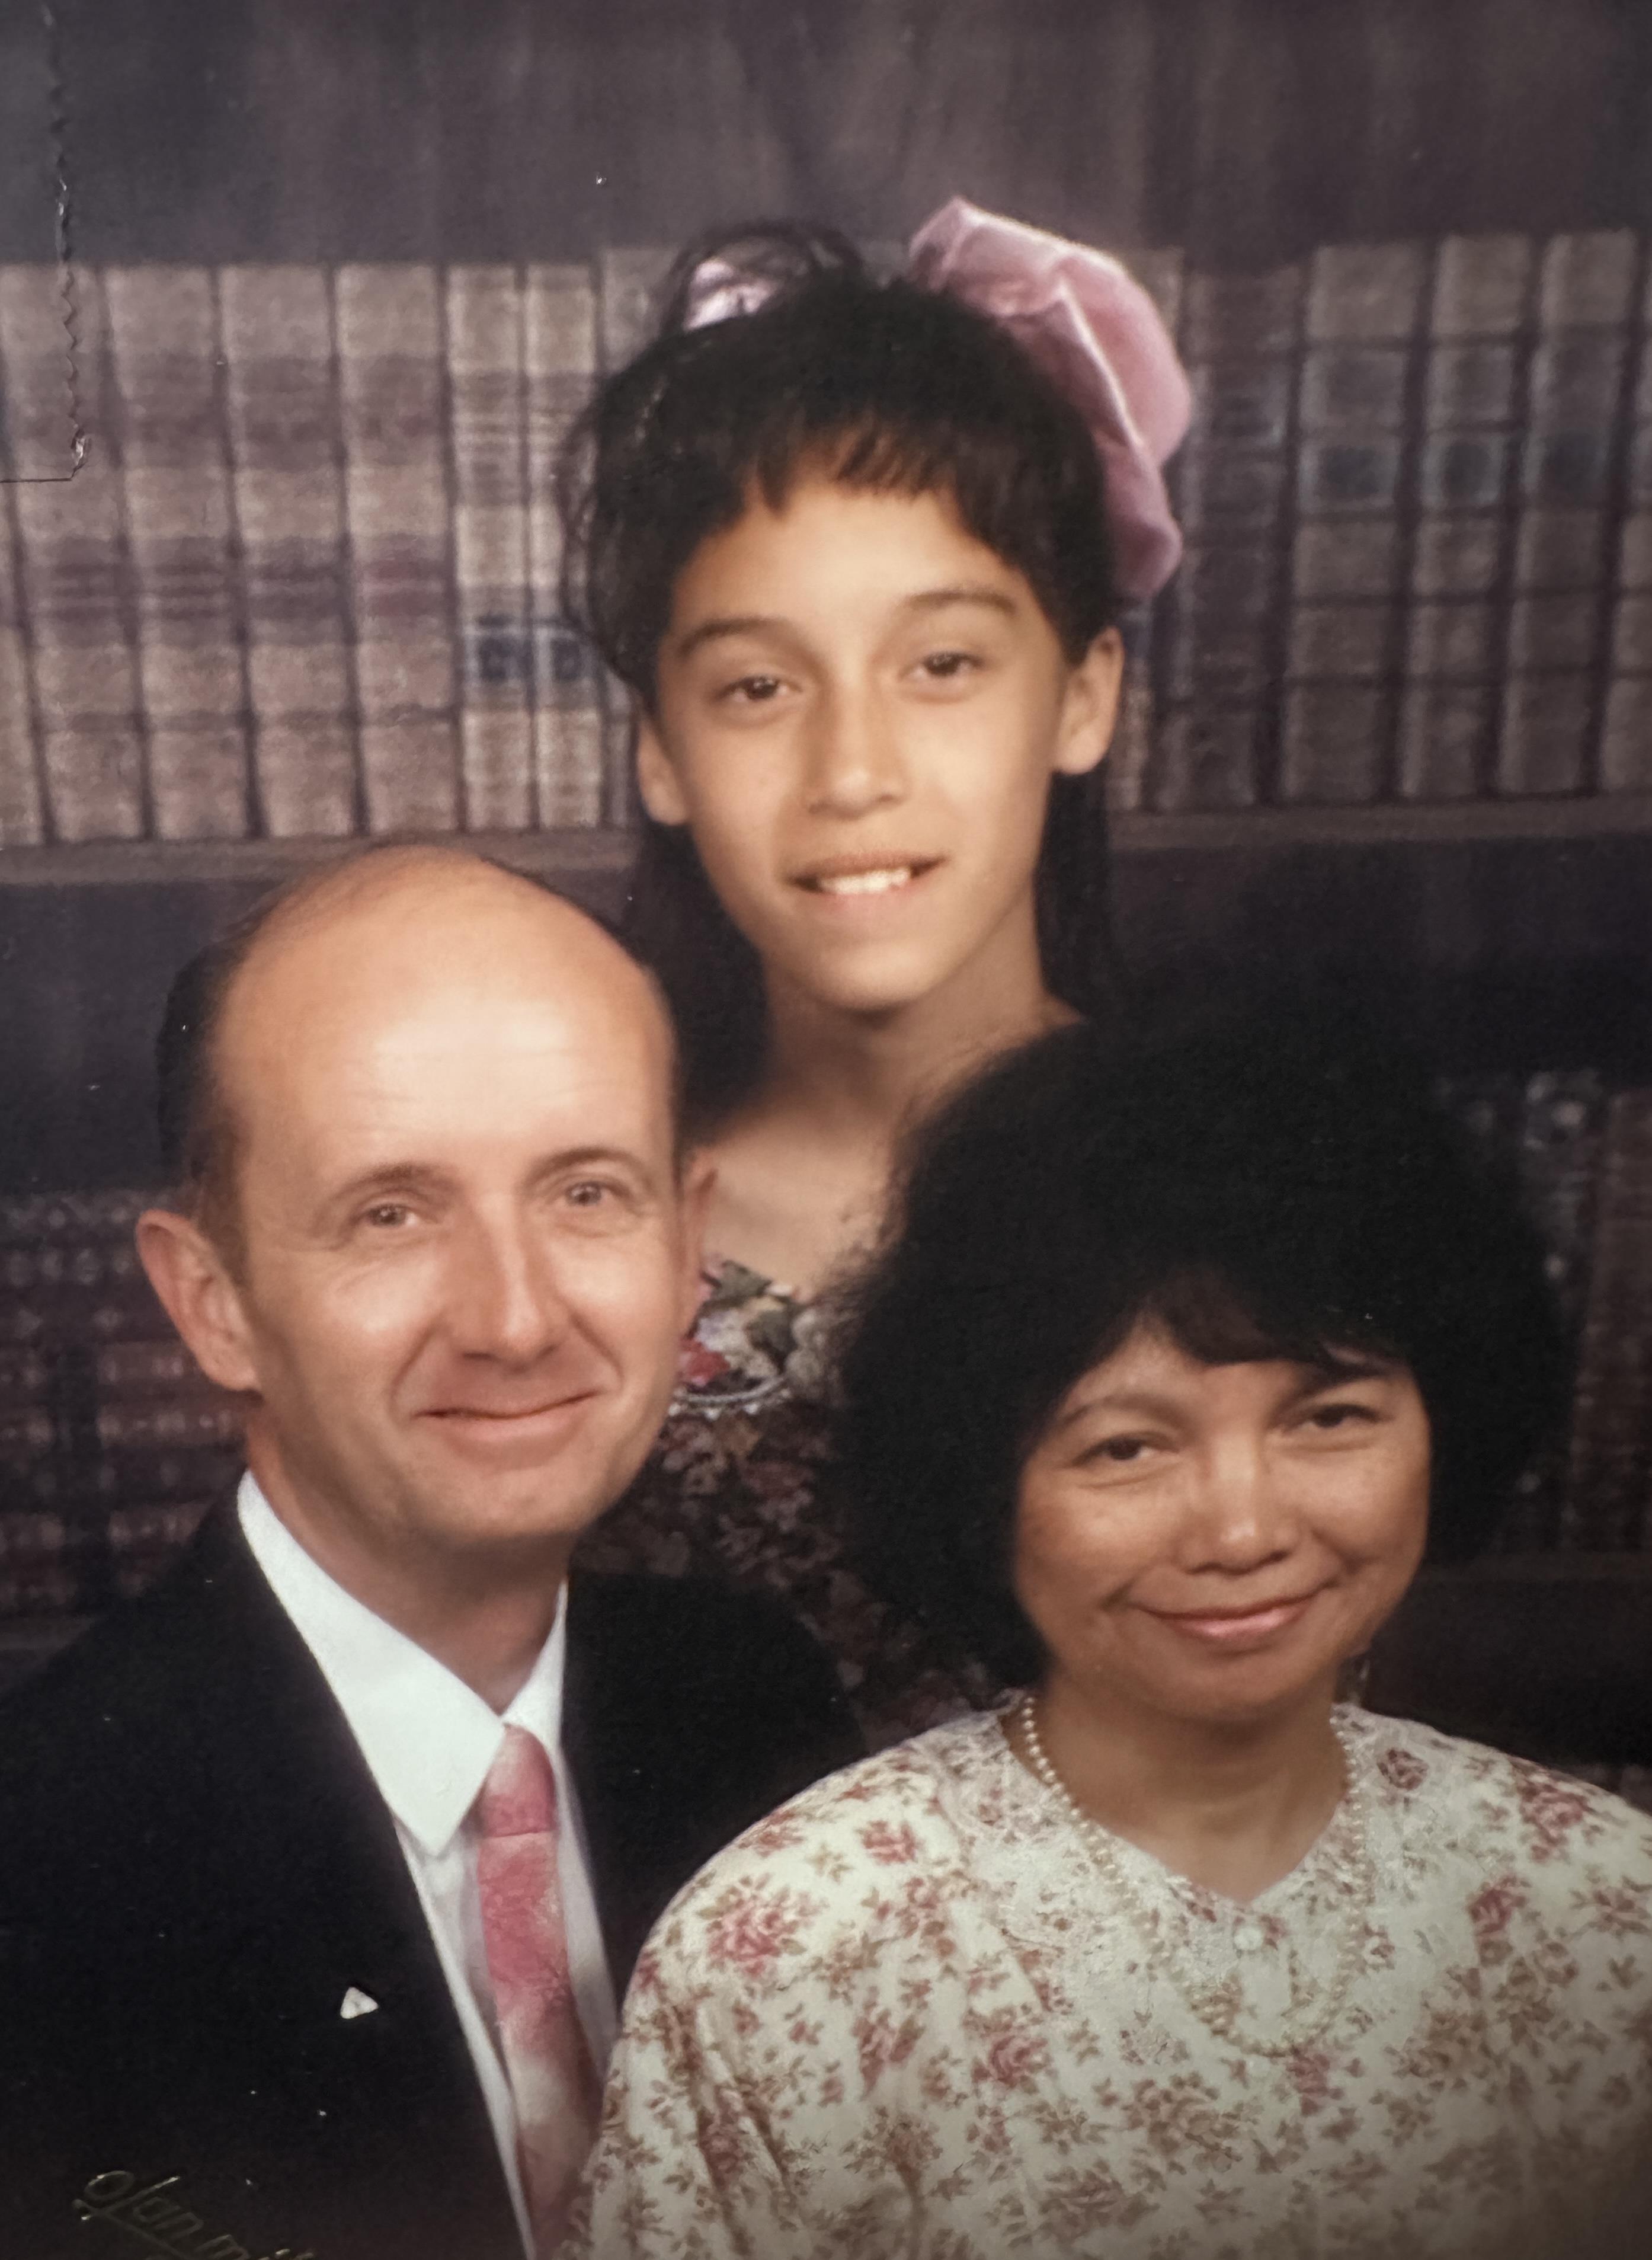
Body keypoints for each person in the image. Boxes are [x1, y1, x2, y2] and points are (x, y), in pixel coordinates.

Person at [571, 1012, 1652, 2260]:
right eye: (1125, 1445)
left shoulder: (1601, 1909)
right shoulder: (787, 1950)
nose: (1242, 1527)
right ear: (985, 1477)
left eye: (1328, 1415)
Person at [0, 846, 860, 2260]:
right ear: (213, 1303)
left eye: (586, 1192)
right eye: (390, 1211)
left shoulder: (753, 1703)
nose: (515, 1319)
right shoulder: (39, 1874)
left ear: (687, 1245)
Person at [563, 197, 1192, 1744]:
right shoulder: (588, 1249)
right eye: (761, 683)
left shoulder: (1234, 1181)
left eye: (942, 664)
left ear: (1084, 692)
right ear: (659, 744)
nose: (853, 770)